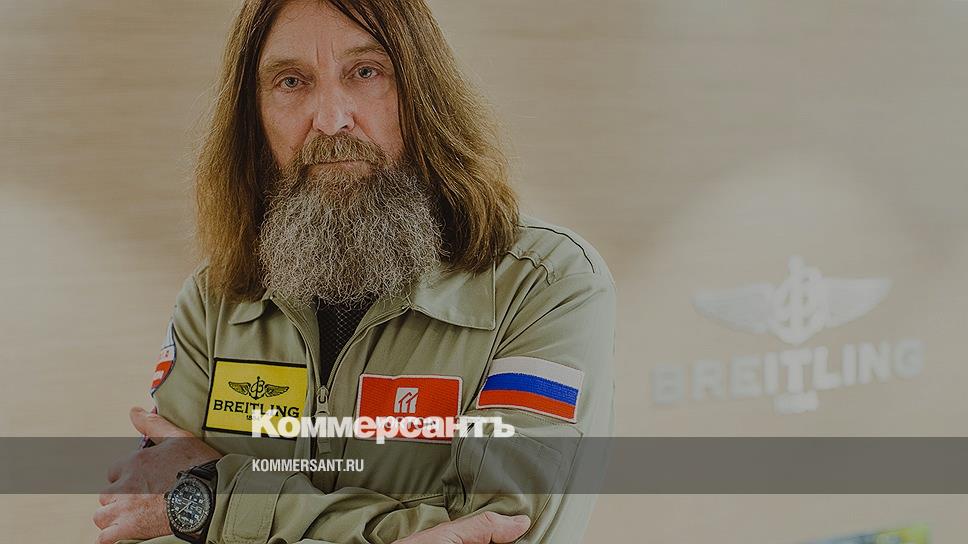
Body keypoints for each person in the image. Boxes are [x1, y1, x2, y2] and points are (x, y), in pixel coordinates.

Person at [94, 1, 615, 543]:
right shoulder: (214, 301)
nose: (330, 118)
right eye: (291, 81)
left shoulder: (544, 285)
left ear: (422, 93)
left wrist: (215, 501)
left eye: (365, 72)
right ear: (254, 118)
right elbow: (145, 517)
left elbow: (504, 532)